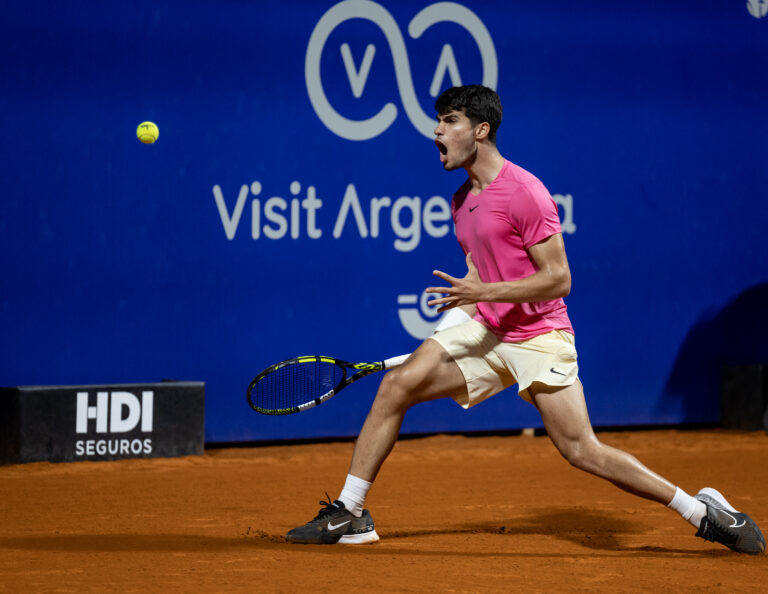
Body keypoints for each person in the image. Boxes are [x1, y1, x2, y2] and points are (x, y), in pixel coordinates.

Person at [285, 85, 765, 554]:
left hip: (540, 336)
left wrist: (481, 291)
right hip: (490, 328)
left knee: (580, 450)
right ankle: (351, 511)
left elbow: (558, 279)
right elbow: (479, 278)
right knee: (396, 386)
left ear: (481, 129)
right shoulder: (460, 202)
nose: (436, 132)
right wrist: (456, 317)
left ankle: (702, 513)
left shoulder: (525, 192)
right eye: (438, 121)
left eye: (449, 121)